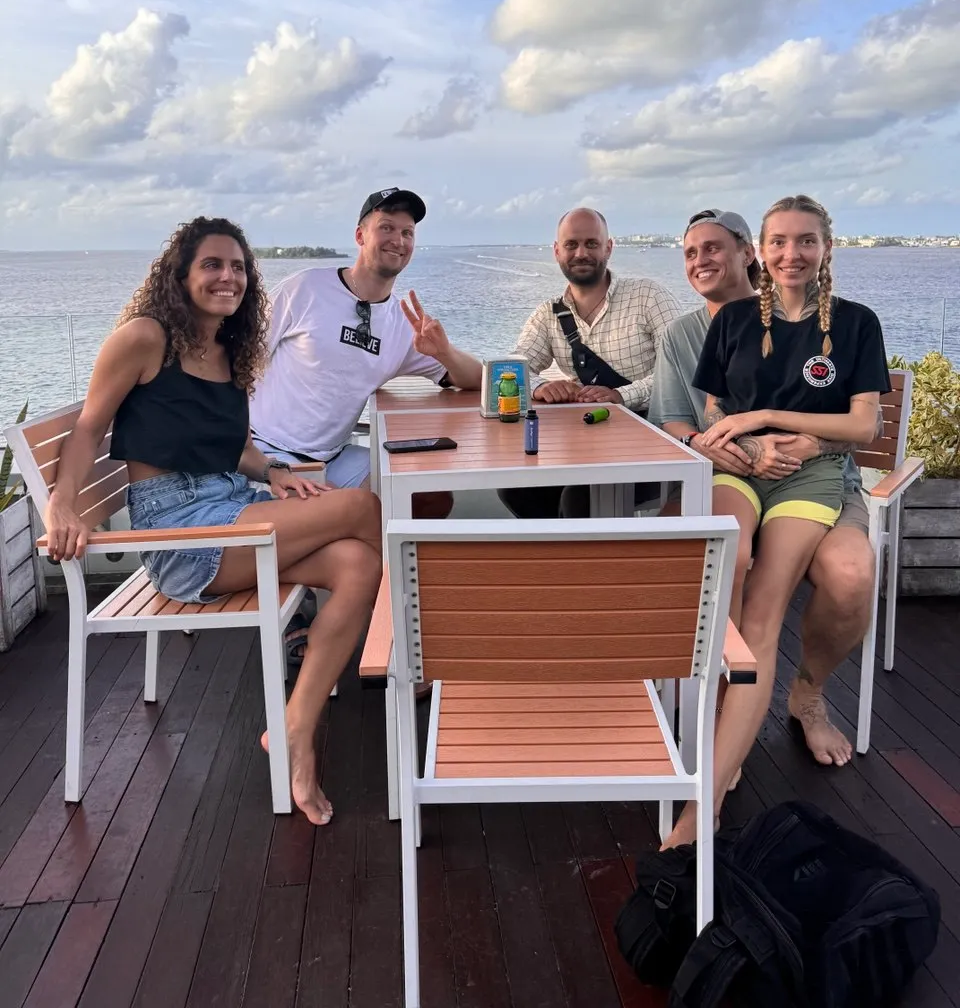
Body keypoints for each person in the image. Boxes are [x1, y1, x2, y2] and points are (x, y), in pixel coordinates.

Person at [42, 217, 383, 827]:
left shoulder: (229, 350)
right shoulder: (145, 338)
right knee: (360, 507)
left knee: (357, 563)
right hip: (180, 535)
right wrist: (62, 505)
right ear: (181, 275)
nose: (229, 277)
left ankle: (295, 728)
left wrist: (274, 471)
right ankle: (406, 644)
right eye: (212, 265)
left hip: (230, 509)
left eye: (238, 267)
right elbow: (89, 428)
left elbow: (235, 446)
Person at [660, 195, 890, 849]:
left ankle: (704, 800)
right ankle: (714, 722)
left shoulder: (855, 323)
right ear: (762, 250)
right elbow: (712, 410)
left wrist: (770, 421)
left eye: (807, 241)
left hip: (809, 477)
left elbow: (864, 424)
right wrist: (737, 442)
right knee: (722, 562)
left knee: (762, 617)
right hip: (739, 470)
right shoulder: (733, 320)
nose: (793, 254)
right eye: (780, 242)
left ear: (826, 248)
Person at [250, 188, 482, 505]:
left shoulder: (403, 325)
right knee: (343, 514)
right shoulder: (304, 289)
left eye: (407, 232)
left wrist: (444, 352)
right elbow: (240, 359)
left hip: (333, 457)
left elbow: (478, 379)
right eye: (386, 227)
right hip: (266, 450)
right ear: (360, 236)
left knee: (430, 499)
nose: (398, 240)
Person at [499, 206, 682, 518]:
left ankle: (585, 548)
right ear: (557, 251)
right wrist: (542, 387)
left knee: (581, 497)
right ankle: (567, 549)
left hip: (657, 439)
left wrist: (621, 395)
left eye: (591, 244)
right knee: (517, 488)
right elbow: (512, 369)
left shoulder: (647, 296)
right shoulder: (548, 315)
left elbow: (679, 371)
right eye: (571, 244)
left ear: (608, 248)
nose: (581, 253)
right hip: (590, 440)